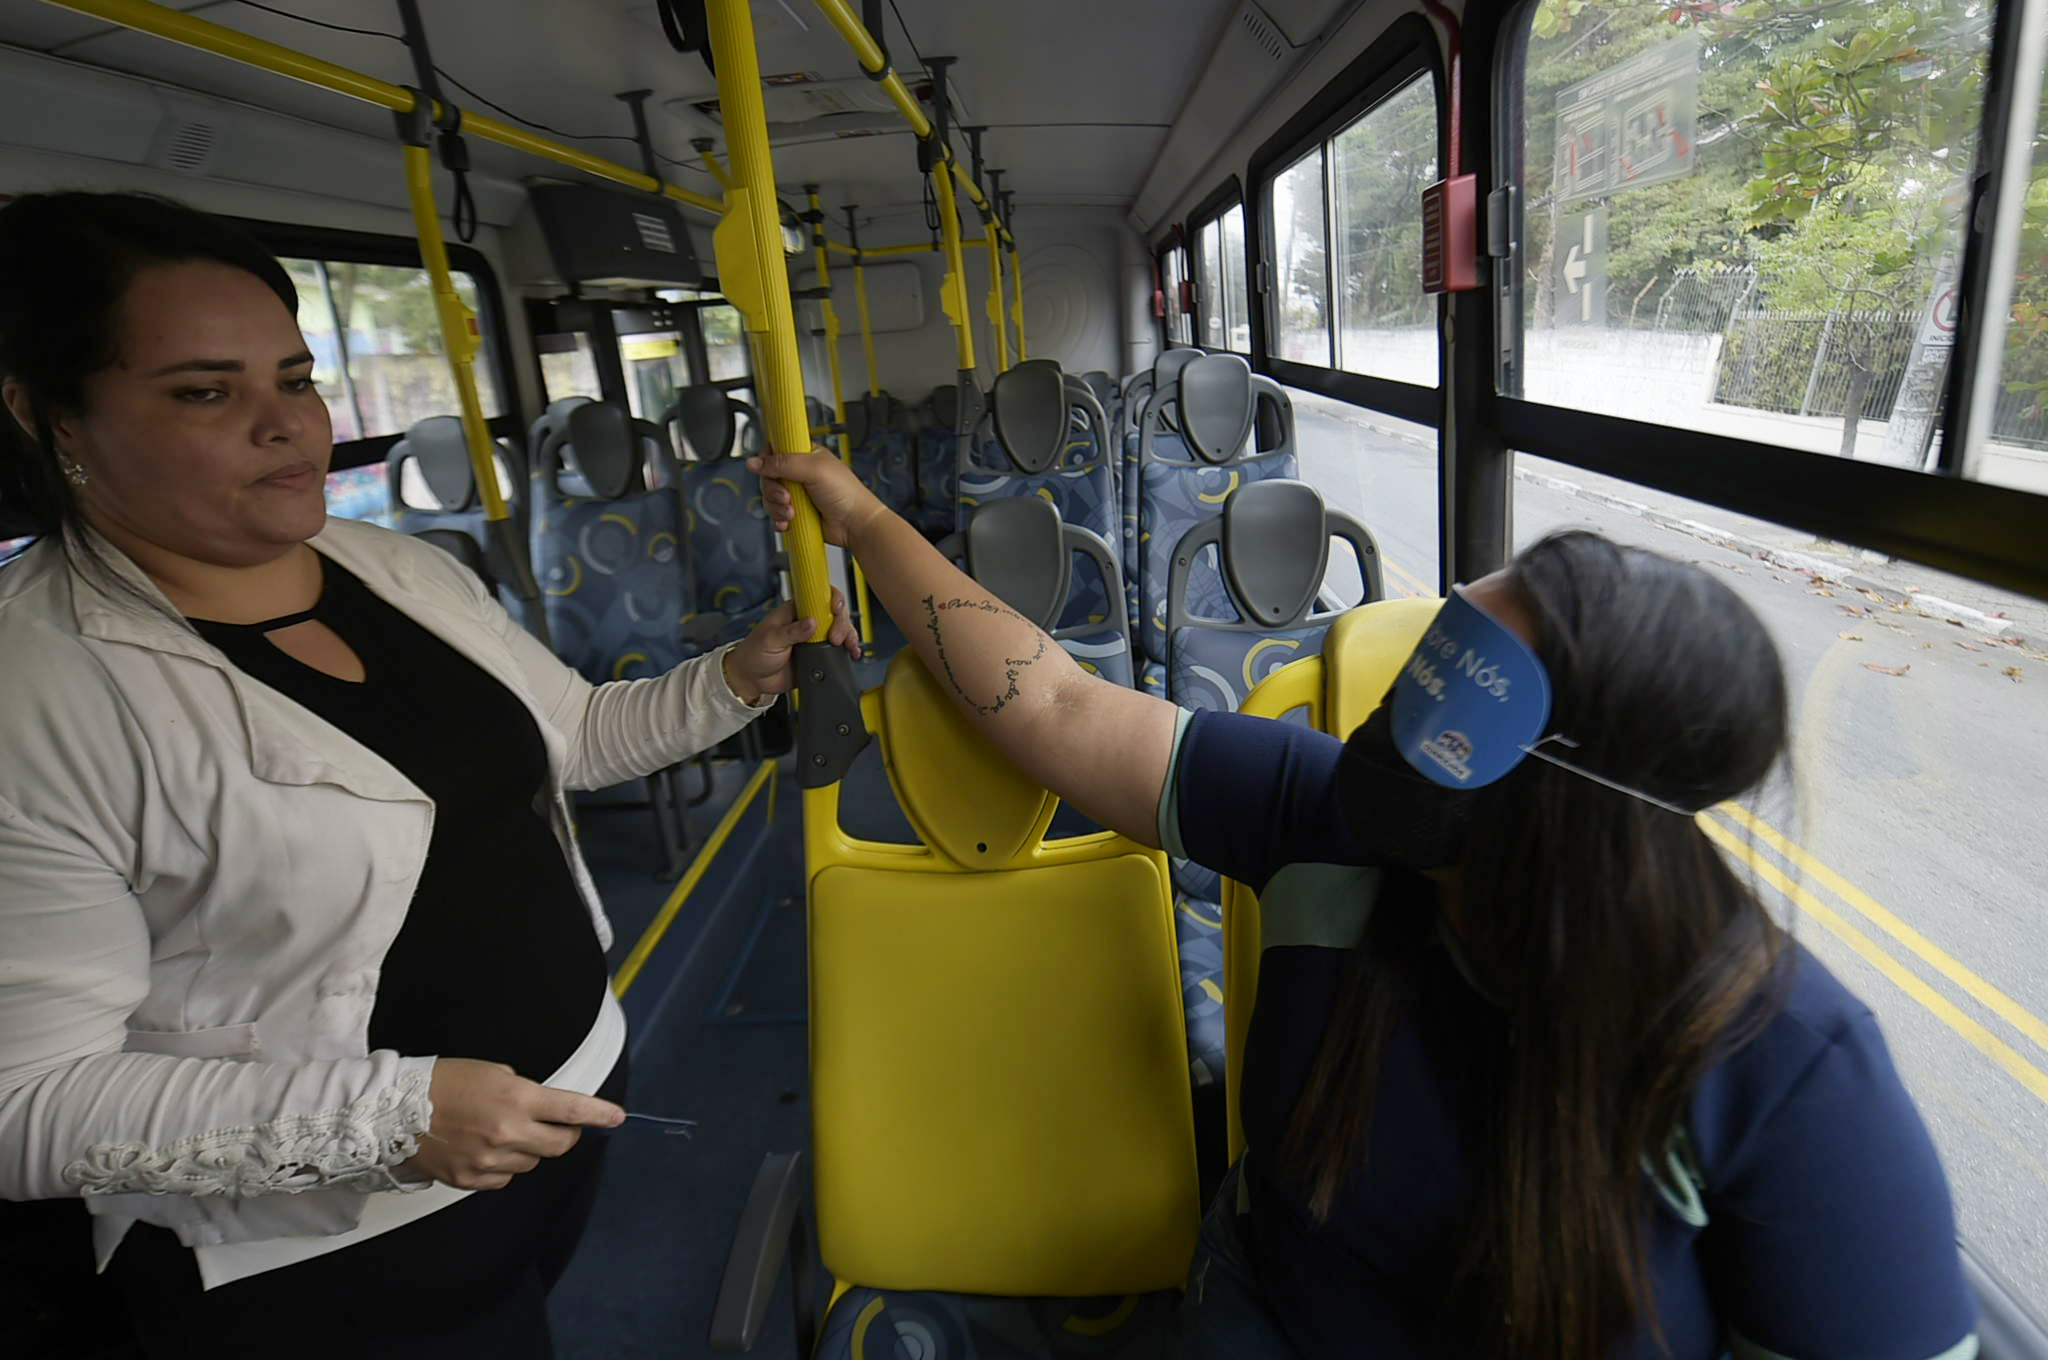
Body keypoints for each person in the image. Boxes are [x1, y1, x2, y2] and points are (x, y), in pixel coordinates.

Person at [750, 445, 1979, 1360]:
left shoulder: (1783, 1068)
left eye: (1451, 693)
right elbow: (1058, 707)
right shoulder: (1322, 815)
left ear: (1570, 793)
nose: (1389, 713)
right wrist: (862, 519)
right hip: (1266, 1314)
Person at [0, 190, 857, 1359]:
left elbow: (574, 735)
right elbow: (28, 1102)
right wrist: (392, 1122)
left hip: (558, 1104)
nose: (287, 427)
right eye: (206, 392)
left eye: (296, 380)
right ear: (49, 416)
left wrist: (736, 678)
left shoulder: (392, 568)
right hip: (322, 1242)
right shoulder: (36, 687)